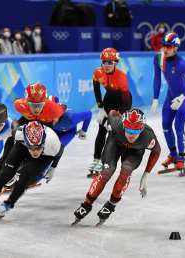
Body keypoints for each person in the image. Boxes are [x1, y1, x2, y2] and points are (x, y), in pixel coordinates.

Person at [0, 83, 64, 200]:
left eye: (40, 105)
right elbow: (16, 119)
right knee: (6, 156)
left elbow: (58, 141)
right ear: (26, 102)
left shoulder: (54, 109)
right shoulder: (20, 105)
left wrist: (53, 166)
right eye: (32, 104)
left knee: (36, 159)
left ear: (46, 102)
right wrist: (16, 131)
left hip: (42, 135)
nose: (36, 109)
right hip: (23, 130)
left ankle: (25, 177)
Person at [73, 108, 161, 226]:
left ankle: (111, 204)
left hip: (134, 152)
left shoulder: (148, 136)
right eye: (129, 130)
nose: (131, 135)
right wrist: (104, 111)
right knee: (106, 172)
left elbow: (156, 152)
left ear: (142, 129)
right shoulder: (116, 124)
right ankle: (87, 204)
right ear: (124, 126)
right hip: (115, 143)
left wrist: (146, 175)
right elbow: (112, 113)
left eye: (135, 132)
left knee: (126, 170)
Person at [0, 121, 62, 221]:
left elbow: (59, 152)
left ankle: (8, 203)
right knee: (4, 174)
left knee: (25, 175)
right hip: (23, 147)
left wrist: (53, 167)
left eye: (37, 148)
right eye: (32, 148)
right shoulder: (18, 133)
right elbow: (11, 133)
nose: (34, 152)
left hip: (45, 156)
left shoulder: (53, 143)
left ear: (43, 143)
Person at [150, 32, 185, 176]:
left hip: (184, 98)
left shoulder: (182, 64)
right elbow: (157, 79)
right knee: (165, 125)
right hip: (170, 96)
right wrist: (155, 98)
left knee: (178, 127)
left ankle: (181, 158)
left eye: (169, 47)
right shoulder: (158, 58)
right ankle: (173, 154)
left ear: (176, 48)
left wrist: (182, 97)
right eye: (164, 46)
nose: (165, 49)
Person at [88, 47, 132, 177]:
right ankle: (96, 160)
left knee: (114, 132)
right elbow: (96, 90)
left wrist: (116, 117)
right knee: (101, 129)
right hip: (108, 99)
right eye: (104, 62)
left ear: (115, 63)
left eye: (110, 62)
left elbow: (126, 102)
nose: (106, 65)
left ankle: (116, 160)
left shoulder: (121, 77)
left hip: (123, 102)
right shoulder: (97, 72)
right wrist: (100, 108)